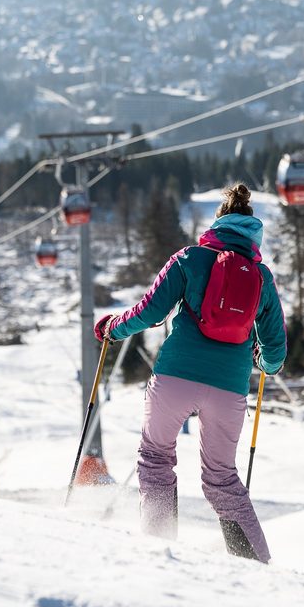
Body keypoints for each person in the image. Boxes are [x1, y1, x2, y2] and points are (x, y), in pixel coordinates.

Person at [94, 183, 286, 563]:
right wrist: (264, 364)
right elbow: (275, 352)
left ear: (217, 224)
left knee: (155, 459)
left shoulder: (189, 259)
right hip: (229, 389)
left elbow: (150, 312)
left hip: (176, 377)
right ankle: (257, 565)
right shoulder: (261, 277)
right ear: (254, 235)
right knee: (222, 478)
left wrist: (113, 328)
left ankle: (159, 546)